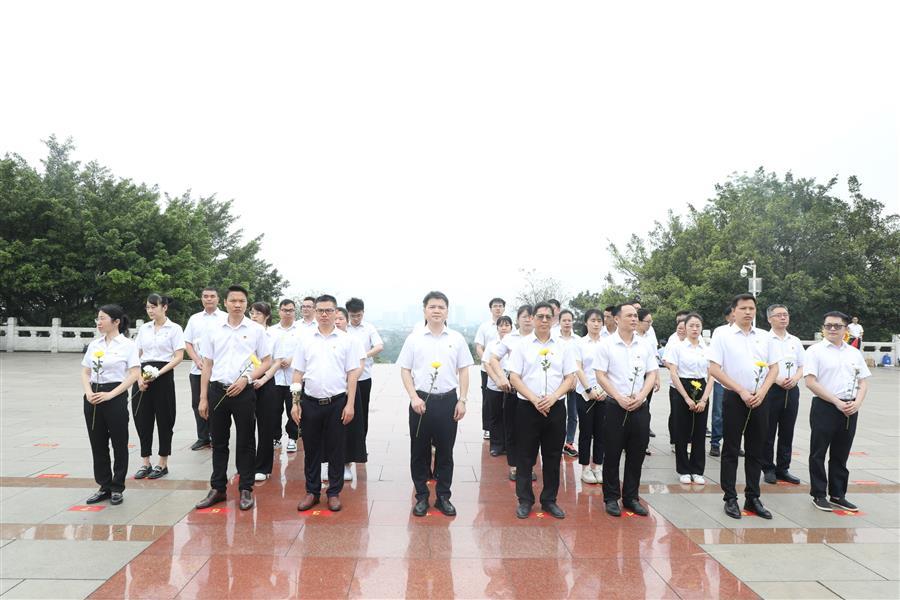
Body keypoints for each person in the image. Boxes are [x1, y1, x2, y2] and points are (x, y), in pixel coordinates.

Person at [196, 285, 272, 512]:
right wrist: (203, 397)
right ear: (225, 303)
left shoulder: (256, 330)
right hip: (217, 390)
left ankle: (246, 488)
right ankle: (218, 487)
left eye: (241, 301)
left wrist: (246, 379)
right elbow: (207, 364)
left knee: (246, 441)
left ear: (246, 304)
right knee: (218, 441)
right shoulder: (213, 329)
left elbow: (266, 361)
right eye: (233, 301)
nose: (237, 305)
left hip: (243, 392)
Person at [398, 291, 473, 517]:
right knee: (419, 451)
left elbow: (464, 371)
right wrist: (413, 397)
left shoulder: (457, 339)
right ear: (424, 311)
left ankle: (443, 497)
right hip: (421, 401)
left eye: (441, 307)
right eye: (432, 307)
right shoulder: (414, 339)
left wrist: (462, 400)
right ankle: (421, 496)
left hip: (448, 401)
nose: (437, 310)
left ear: (447, 311)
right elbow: (405, 370)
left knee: (446, 452)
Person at [708, 293, 780, 520]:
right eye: (743, 308)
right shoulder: (722, 334)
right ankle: (730, 497)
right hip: (734, 397)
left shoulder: (765, 336)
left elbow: (774, 368)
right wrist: (740, 390)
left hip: (760, 398)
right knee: (731, 449)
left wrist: (762, 392)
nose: (748, 312)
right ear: (734, 311)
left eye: (752, 308)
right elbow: (714, 368)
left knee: (756, 449)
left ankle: (753, 497)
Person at [291, 295, 364, 512]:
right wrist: (295, 403)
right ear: (315, 312)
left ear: (335, 313)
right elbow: (297, 373)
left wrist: (350, 404)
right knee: (311, 449)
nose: (324, 314)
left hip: (337, 402)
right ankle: (312, 491)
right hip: (310, 402)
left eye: (329, 311)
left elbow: (352, 375)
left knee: (336, 449)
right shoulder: (305, 339)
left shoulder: (347, 340)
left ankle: (333, 492)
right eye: (320, 310)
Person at [509, 302, 576, 520]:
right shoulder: (522, 345)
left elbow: (570, 377)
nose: (544, 320)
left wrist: (553, 397)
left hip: (555, 407)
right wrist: (534, 399)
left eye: (548, 316)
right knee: (525, 456)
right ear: (532, 318)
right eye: (540, 316)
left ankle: (549, 500)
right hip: (527, 408)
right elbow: (514, 377)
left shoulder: (563, 346)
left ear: (554, 319)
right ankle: (525, 500)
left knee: (552, 456)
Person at [595, 304, 659, 517]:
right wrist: (618, 397)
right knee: (612, 453)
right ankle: (611, 497)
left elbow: (652, 373)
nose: (634, 319)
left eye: (635, 316)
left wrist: (641, 396)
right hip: (615, 406)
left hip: (640, 406)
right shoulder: (606, 345)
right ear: (616, 319)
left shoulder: (645, 345)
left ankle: (631, 497)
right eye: (629, 315)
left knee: (637, 453)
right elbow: (601, 375)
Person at [804, 311, 871, 512]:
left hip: (850, 408)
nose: (832, 329)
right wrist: (836, 402)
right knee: (818, 452)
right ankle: (818, 494)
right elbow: (810, 382)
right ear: (823, 328)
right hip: (825, 406)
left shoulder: (853, 353)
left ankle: (838, 494)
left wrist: (857, 402)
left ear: (846, 329)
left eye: (837, 326)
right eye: (828, 325)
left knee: (841, 453)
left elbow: (863, 382)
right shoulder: (815, 351)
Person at [80, 304, 140, 505]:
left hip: (115, 394)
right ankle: (104, 485)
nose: (98, 322)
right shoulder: (94, 345)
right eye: (97, 318)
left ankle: (117, 486)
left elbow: (134, 374)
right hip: (93, 396)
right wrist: (89, 393)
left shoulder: (128, 345)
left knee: (119, 442)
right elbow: (85, 372)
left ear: (116, 322)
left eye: (102, 318)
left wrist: (111, 395)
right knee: (97, 443)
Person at [132, 294, 185, 480]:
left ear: (164, 307)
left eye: (154, 307)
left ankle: (162, 462)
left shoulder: (175, 329)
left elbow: (178, 356)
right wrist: (139, 378)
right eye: (148, 307)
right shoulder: (144, 329)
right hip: (143, 375)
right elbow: (136, 355)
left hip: (163, 375)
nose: (150, 310)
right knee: (142, 419)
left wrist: (158, 373)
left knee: (165, 419)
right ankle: (145, 461)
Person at [488, 305, 536, 481]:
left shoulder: (540, 337)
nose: (528, 319)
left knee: (531, 431)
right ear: (517, 319)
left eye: (531, 316)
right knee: (512, 428)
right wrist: (501, 377)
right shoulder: (510, 338)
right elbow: (493, 359)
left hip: (533, 391)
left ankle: (529, 466)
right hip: (513, 389)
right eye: (524, 316)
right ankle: (515, 466)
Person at [663, 313, 711, 485]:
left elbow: (712, 375)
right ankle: (683, 469)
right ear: (685, 328)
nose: (695, 329)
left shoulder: (707, 349)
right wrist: (686, 397)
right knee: (682, 431)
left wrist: (704, 399)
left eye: (698, 325)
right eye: (691, 325)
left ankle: (697, 470)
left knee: (699, 431)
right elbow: (673, 373)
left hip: (701, 386)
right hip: (681, 387)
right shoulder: (678, 347)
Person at [762, 304, 805, 485]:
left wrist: (795, 378)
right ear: (769, 319)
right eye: (778, 315)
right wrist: (777, 379)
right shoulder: (764, 340)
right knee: (768, 430)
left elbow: (802, 365)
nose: (783, 318)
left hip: (791, 390)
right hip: (771, 389)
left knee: (787, 431)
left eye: (785, 314)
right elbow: (761, 364)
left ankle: (783, 468)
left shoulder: (795, 340)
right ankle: (768, 468)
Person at [183, 287, 226, 450]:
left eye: (212, 296)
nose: (209, 299)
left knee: (216, 404)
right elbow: (187, 342)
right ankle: (203, 437)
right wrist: (196, 359)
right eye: (205, 296)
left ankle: (216, 436)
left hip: (218, 370)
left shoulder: (225, 317)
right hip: (197, 369)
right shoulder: (194, 319)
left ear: (218, 299)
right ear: (201, 299)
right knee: (198, 403)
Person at [248, 302, 280, 482]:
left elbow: (276, 361)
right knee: (246, 425)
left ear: (267, 316)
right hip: (246, 380)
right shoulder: (244, 333)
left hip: (266, 382)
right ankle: (247, 464)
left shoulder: (273, 335)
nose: (254, 316)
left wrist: (263, 379)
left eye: (258, 313)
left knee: (265, 426)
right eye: (252, 313)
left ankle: (263, 466)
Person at [573, 309, 607, 484]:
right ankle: (585, 468)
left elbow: (611, 369)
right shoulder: (579, 343)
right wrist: (588, 389)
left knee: (601, 432)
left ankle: (598, 467)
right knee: (586, 431)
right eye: (593, 320)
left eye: (599, 321)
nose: (596, 324)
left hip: (604, 393)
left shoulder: (607, 343)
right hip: (584, 393)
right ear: (586, 322)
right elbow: (578, 368)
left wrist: (605, 390)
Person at [265, 299, 302, 455]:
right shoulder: (271, 331)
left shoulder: (301, 331)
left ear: (295, 312)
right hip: (275, 377)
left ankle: (293, 437)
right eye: (285, 310)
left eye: (291, 310)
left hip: (294, 377)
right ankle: (276, 437)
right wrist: (277, 362)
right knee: (274, 410)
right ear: (279, 311)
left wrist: (291, 359)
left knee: (294, 408)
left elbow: (304, 351)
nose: (288, 313)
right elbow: (265, 352)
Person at [346, 297, 384, 443]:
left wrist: (363, 355)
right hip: (344, 378)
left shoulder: (368, 328)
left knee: (362, 411)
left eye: (359, 315)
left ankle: (361, 443)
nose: (356, 319)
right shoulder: (342, 326)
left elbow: (379, 346)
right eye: (352, 316)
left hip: (363, 377)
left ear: (363, 312)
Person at [475, 298, 506, 440]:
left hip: (505, 369)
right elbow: (479, 347)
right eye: (495, 306)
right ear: (491, 309)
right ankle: (488, 428)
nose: (498, 308)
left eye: (500, 306)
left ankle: (503, 427)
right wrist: (487, 361)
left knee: (505, 399)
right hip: (487, 368)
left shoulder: (510, 326)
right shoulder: (485, 327)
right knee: (488, 399)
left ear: (504, 308)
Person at [483, 316, 514, 456]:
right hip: (494, 385)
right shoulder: (492, 344)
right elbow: (487, 363)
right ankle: (496, 445)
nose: (504, 328)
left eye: (507, 325)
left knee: (510, 416)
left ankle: (509, 445)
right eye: (501, 325)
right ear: (497, 328)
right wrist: (497, 379)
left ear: (511, 327)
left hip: (512, 387)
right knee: (495, 415)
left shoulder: (516, 343)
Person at [709, 305, 734, 457]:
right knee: (718, 412)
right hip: (721, 379)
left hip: (738, 381)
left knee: (736, 414)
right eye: (732, 314)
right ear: (727, 317)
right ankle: (715, 443)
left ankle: (733, 443)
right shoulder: (720, 331)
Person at [636, 308, 661, 446]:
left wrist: (657, 377)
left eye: (651, 322)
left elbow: (654, 357)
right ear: (639, 321)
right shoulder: (632, 335)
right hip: (634, 376)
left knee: (645, 407)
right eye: (648, 321)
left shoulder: (650, 335)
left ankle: (643, 443)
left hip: (648, 376)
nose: (650, 324)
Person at [558, 309, 580, 458]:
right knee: (559, 414)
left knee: (573, 413)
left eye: (569, 320)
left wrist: (574, 378)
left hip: (574, 381)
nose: (567, 323)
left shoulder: (578, 340)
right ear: (559, 322)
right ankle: (556, 440)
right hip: (557, 382)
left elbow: (579, 362)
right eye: (564, 320)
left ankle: (569, 442)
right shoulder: (554, 338)